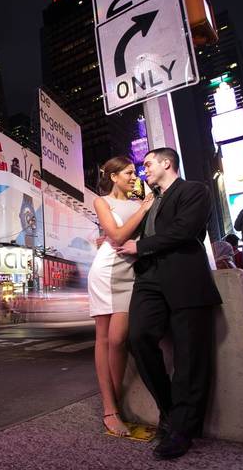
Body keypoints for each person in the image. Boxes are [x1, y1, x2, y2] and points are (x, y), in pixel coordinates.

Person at [118, 147, 222, 460]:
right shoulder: (149, 201)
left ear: (167, 163)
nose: (143, 169)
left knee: (190, 355)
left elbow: (186, 231)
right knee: (138, 338)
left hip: (184, 277)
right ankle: (170, 411)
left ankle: (183, 429)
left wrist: (140, 245)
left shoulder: (194, 190)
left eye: (147, 164)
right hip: (148, 278)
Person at [88, 156, 154, 438]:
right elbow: (115, 236)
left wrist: (145, 205)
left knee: (118, 340)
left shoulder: (143, 202)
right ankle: (110, 408)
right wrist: (143, 209)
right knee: (106, 338)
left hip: (132, 274)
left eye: (135, 173)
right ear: (113, 176)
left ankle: (112, 399)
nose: (133, 176)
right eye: (128, 173)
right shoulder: (101, 201)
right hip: (105, 272)